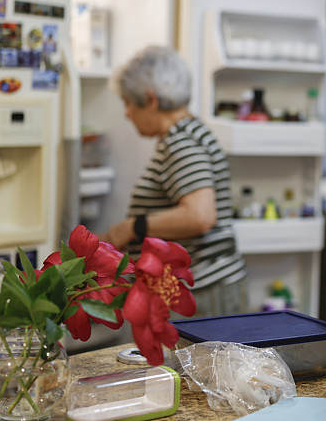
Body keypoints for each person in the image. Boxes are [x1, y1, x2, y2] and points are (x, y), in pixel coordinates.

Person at [105, 45, 247, 318]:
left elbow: (200, 216)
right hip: (210, 288)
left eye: (128, 103)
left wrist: (132, 227)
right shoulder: (191, 133)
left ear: (151, 99)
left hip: (203, 292)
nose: (126, 114)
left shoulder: (181, 142)